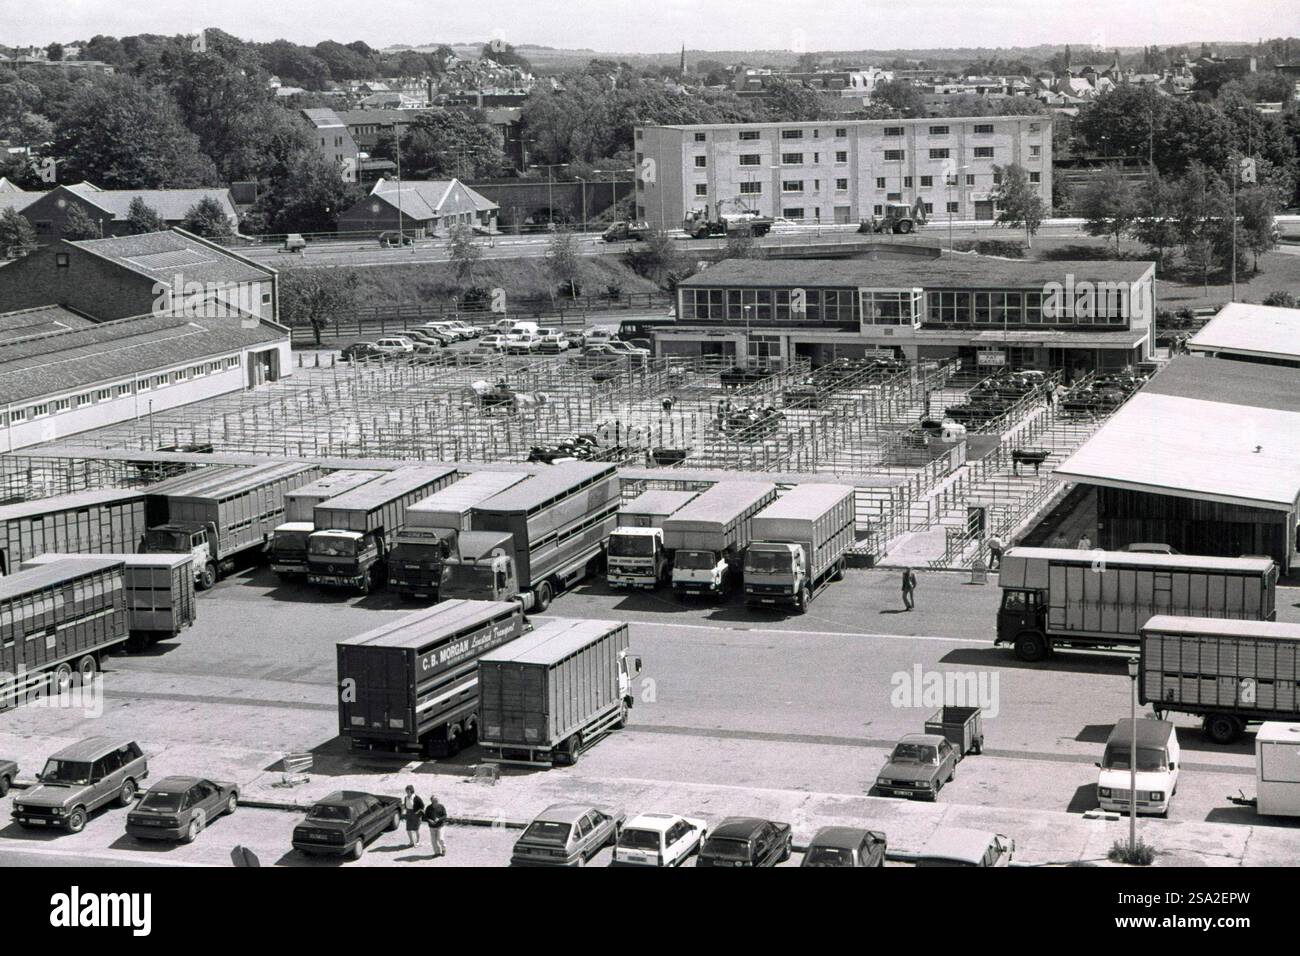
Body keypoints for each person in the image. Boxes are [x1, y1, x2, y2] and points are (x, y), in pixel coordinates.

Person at [425, 793, 448, 858]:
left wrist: (439, 819)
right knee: (433, 841)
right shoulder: (428, 808)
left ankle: (444, 849)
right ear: (431, 801)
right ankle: (437, 852)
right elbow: (425, 817)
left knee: (440, 839)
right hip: (432, 827)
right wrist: (429, 820)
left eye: (437, 800)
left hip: (440, 826)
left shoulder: (441, 807)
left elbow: (445, 816)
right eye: (435, 801)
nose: (436, 802)